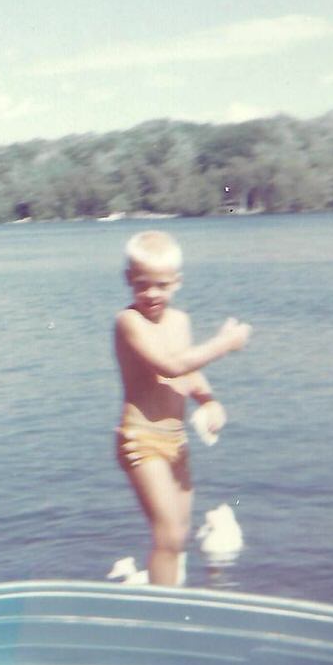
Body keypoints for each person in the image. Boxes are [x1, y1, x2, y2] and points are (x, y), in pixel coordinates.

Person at [113, 230, 250, 586]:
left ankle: (173, 598)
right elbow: (169, 366)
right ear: (129, 280)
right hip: (141, 440)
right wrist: (224, 344)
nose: (152, 294)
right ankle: (163, 614)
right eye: (142, 284)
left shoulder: (181, 321)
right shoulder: (129, 322)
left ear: (177, 282)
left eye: (161, 285)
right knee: (168, 535)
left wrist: (208, 399)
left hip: (176, 441)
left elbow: (188, 372)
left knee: (181, 536)